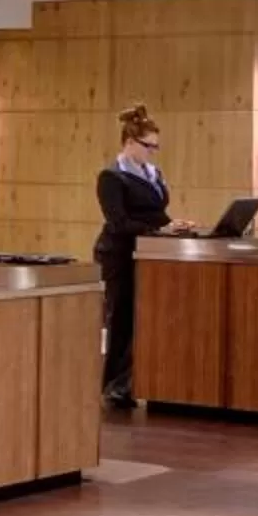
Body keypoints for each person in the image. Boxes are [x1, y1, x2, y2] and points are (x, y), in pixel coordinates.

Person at [94, 104, 197, 410]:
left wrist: (173, 224)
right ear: (129, 142)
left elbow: (156, 213)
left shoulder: (153, 173)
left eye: (155, 147)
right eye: (148, 146)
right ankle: (115, 385)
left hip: (149, 252)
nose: (153, 152)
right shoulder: (111, 177)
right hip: (120, 253)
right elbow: (119, 222)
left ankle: (133, 382)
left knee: (144, 317)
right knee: (122, 317)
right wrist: (160, 228)